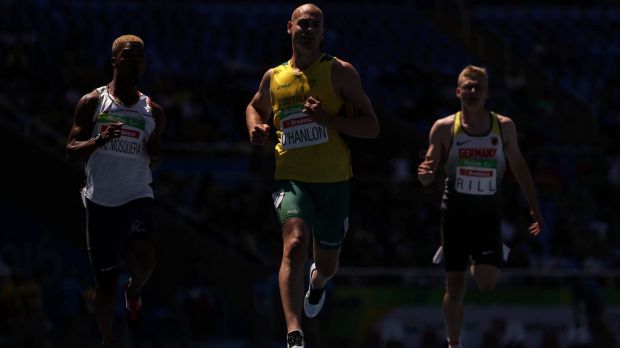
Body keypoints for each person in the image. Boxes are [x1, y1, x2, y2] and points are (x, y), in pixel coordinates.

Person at [245, 4, 379, 347]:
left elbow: (371, 127)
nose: (308, 29)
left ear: (323, 33)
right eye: (302, 23)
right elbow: (254, 106)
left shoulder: (340, 72)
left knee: (327, 266)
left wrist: (329, 120)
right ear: (289, 27)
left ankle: (317, 284)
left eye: (315, 25)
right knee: (294, 245)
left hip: (333, 182)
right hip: (291, 179)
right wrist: (255, 128)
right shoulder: (273, 77)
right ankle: (294, 331)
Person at [417, 65, 543, 348]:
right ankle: (454, 343)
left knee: (486, 282)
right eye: (468, 86)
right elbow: (428, 169)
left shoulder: (504, 126)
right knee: (455, 285)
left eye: (478, 87)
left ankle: (479, 253)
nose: (472, 91)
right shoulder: (444, 127)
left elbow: (519, 166)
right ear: (458, 91)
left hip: (488, 215)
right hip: (455, 214)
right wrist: (425, 174)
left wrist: (534, 206)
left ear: (487, 93)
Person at [65, 34, 165, 348]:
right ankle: (109, 341)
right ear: (114, 61)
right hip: (100, 202)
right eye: (128, 56)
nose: (136, 61)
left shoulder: (153, 111)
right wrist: (99, 140)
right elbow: (70, 150)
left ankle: (133, 292)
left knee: (146, 259)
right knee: (105, 285)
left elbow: (156, 157)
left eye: (140, 57)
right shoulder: (92, 102)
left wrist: (156, 150)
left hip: (136, 195)